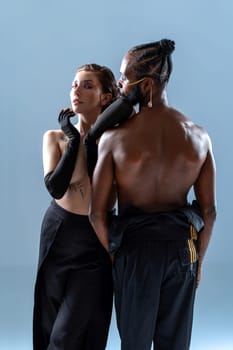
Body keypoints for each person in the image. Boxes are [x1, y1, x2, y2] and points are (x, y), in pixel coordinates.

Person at [89, 39, 217, 350]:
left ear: (146, 84)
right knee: (175, 344)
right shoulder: (199, 137)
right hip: (182, 250)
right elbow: (209, 212)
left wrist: (114, 254)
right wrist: (198, 262)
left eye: (123, 76)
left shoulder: (114, 139)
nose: (120, 84)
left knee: (134, 343)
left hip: (135, 252)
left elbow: (97, 213)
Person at [33, 63, 119, 350]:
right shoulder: (54, 138)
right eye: (74, 84)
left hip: (95, 237)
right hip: (59, 231)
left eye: (87, 85)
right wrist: (72, 139)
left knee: (69, 332)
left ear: (106, 97)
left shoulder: (113, 142)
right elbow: (56, 187)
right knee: (50, 320)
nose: (76, 91)